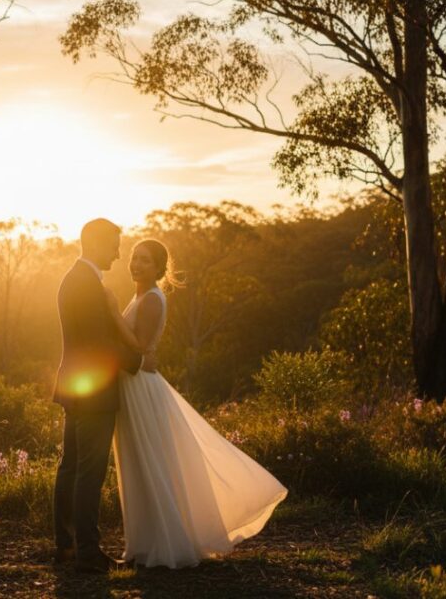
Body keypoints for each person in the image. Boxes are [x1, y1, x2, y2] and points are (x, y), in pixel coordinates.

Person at [103, 238, 288, 569]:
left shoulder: (151, 300)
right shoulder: (141, 295)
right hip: (133, 385)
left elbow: (141, 347)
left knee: (150, 464)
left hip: (141, 388)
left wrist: (112, 314)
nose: (135, 264)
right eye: (133, 257)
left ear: (159, 268)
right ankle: (143, 546)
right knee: (139, 463)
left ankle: (165, 545)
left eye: (144, 260)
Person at [52, 218, 144, 573]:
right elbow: (97, 343)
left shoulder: (76, 279)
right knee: (87, 472)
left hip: (76, 386)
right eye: (114, 245)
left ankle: (67, 546)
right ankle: (86, 552)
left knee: (71, 468)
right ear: (95, 243)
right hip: (92, 390)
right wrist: (137, 360)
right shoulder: (85, 284)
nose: (119, 254)